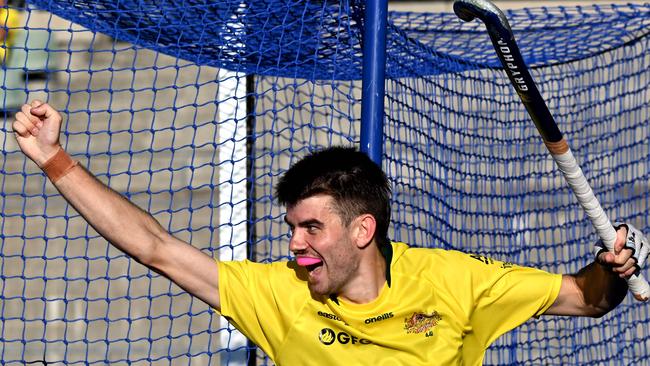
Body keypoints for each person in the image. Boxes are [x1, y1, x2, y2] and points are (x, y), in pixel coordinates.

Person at [12, 100, 648, 365]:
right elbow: (153, 247)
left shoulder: (456, 281)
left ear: (363, 228)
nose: (295, 244)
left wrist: (614, 262)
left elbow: (585, 297)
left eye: (312, 227)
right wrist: (54, 160)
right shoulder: (278, 292)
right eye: (292, 228)